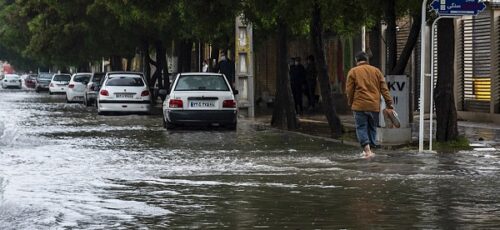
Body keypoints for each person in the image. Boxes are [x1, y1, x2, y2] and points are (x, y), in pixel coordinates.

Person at [346, 51, 393, 158]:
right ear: (367, 60)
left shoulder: (353, 72)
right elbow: (384, 89)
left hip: (359, 105)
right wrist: (389, 103)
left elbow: (349, 90)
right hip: (373, 106)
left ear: (356, 60)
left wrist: (350, 102)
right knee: (372, 127)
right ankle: (370, 149)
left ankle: (367, 150)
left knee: (361, 127)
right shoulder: (376, 71)